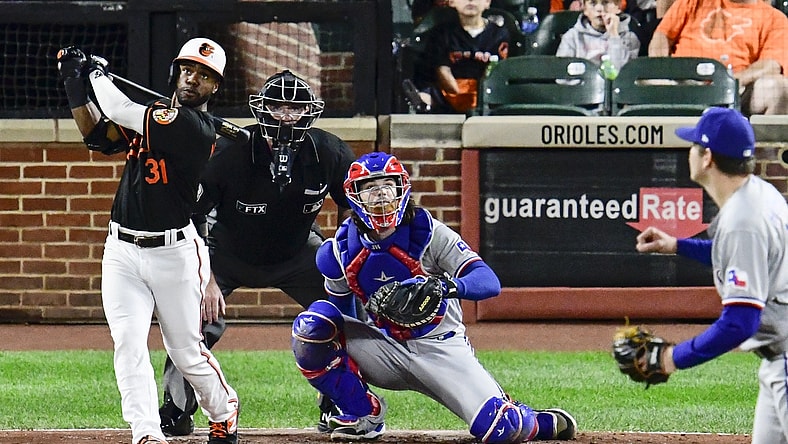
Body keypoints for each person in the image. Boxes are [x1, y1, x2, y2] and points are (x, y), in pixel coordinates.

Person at [290, 151, 578, 442]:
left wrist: (444, 286)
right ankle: (363, 414)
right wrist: (336, 384)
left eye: (388, 186)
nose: (380, 196)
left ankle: (536, 420)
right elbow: (340, 314)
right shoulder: (338, 249)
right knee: (312, 324)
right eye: (370, 189)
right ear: (354, 196)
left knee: (500, 430)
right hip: (385, 346)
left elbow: (488, 282)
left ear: (402, 189)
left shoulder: (428, 232)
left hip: (441, 347)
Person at [56, 38, 240, 444]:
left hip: (174, 252)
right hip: (121, 249)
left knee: (185, 351)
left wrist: (96, 73)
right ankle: (146, 433)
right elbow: (97, 134)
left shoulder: (195, 127)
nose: (193, 79)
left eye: (205, 76)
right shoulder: (156, 115)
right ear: (177, 70)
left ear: (215, 87)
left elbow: (119, 107)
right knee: (128, 343)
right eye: (188, 69)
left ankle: (224, 409)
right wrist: (74, 84)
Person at [157, 69, 355, 436]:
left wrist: (344, 255)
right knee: (190, 317)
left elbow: (349, 209)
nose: (286, 117)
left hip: (297, 251)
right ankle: (176, 407)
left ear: (309, 113)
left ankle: (343, 403)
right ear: (262, 110)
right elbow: (191, 220)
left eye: (294, 109)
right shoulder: (227, 152)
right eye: (278, 107)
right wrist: (207, 280)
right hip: (225, 250)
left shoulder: (329, 151)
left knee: (346, 308)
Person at [634, 107, 788, 443]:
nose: (688, 151)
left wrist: (671, 359)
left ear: (707, 158)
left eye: (694, 146)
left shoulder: (743, 221)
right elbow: (740, 257)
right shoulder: (759, 195)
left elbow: (739, 323)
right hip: (778, 361)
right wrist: (676, 244)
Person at [648, 0, 788, 115]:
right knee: (647, 80)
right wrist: (663, 67)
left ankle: (759, 149)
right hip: (683, 84)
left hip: (737, 91)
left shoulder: (775, 18)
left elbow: (771, 65)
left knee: (778, 88)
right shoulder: (692, 2)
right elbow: (661, 36)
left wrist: (726, 81)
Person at [418, 0, 511, 113]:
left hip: (487, 93)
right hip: (449, 94)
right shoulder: (441, 33)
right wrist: (459, 99)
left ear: (487, 2)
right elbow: (442, 70)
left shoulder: (499, 34)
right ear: (451, 2)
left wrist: (481, 97)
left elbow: (496, 71)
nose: (470, 1)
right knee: (423, 98)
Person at [556, 0, 641, 69]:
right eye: (593, 3)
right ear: (585, 8)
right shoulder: (572, 37)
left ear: (618, 7)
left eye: (606, 2)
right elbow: (562, 76)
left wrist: (614, 36)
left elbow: (623, 75)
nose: (599, 8)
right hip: (580, 89)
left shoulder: (629, 38)